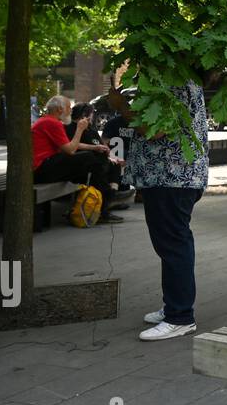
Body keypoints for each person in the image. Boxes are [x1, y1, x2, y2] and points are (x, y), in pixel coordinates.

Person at [119, 81, 210, 341]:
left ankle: (180, 316)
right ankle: (174, 306)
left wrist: (121, 107)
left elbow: (155, 130)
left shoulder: (171, 86)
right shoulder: (184, 81)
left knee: (173, 245)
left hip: (170, 178)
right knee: (172, 244)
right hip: (173, 178)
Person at [31, 95, 121, 224]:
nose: (70, 111)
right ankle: (106, 198)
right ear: (59, 110)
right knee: (88, 159)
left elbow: (67, 145)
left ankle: (100, 202)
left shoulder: (47, 121)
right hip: (41, 169)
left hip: (42, 168)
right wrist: (79, 129)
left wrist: (94, 147)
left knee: (88, 165)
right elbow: (71, 149)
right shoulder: (52, 123)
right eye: (68, 107)